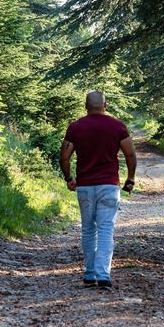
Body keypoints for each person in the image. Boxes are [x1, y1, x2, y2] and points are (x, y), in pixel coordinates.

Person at [60, 91, 137, 289]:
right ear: (105, 105)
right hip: (109, 186)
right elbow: (130, 154)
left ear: (86, 106)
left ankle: (89, 275)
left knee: (87, 229)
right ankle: (103, 276)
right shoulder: (117, 126)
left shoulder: (75, 127)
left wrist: (69, 178)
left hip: (85, 186)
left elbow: (65, 156)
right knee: (105, 229)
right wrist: (130, 178)